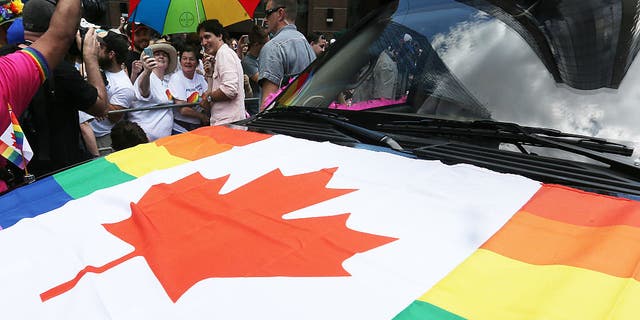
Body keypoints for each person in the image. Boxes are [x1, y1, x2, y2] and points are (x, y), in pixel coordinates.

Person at [258, 0, 315, 110]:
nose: (265, 19)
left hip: (280, 123)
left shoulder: (273, 47)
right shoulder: (306, 44)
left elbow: (267, 104)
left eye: (268, 13)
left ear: (280, 13)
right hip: (305, 121)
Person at [91, 30, 135, 154]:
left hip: (102, 139)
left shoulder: (124, 86)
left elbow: (114, 117)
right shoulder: (98, 69)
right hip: (86, 133)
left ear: (111, 54)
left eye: (102, 47)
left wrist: (95, 103)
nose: (98, 49)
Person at [197, 19, 246, 126]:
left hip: (228, 124)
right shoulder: (219, 55)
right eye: (201, 39)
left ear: (219, 36)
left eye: (207, 37)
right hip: (223, 122)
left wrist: (209, 97)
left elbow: (229, 90)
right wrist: (210, 75)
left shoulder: (224, 54)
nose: (204, 42)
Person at [129, 42, 177, 141]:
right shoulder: (145, 77)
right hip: (145, 140)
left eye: (164, 55)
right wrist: (147, 72)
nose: (161, 57)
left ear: (168, 62)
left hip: (163, 142)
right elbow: (144, 90)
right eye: (157, 54)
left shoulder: (168, 82)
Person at [168, 44, 209, 134]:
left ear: (197, 63)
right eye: (184, 58)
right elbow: (183, 109)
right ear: (180, 61)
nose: (187, 62)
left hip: (199, 126)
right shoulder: (176, 78)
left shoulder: (200, 78)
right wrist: (202, 116)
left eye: (191, 59)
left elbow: (208, 97)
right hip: (181, 128)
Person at [242, 25, 268, 103]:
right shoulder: (247, 62)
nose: (268, 46)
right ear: (256, 44)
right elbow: (262, 81)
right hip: (255, 106)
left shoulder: (261, 57)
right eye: (266, 44)